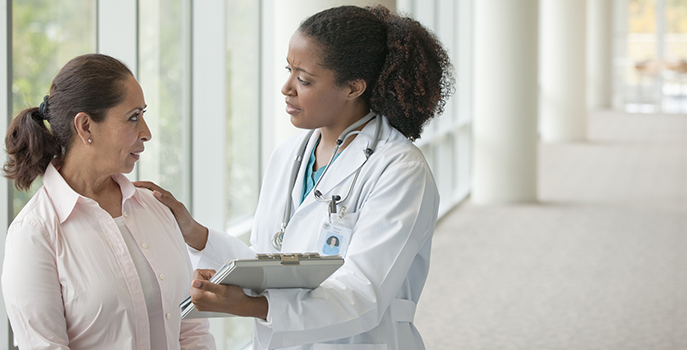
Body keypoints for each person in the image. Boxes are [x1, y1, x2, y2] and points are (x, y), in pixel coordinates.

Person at [138, 5, 453, 349]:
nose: (287, 87)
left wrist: (252, 306)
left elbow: (363, 295)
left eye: (303, 79)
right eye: (288, 70)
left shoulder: (399, 169)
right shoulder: (289, 156)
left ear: (353, 88)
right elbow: (268, 261)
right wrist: (193, 232)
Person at [1, 54, 216, 350]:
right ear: (86, 127)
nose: (147, 132)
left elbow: (191, 331)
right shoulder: (34, 234)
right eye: (133, 117)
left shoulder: (155, 208)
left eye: (143, 114)